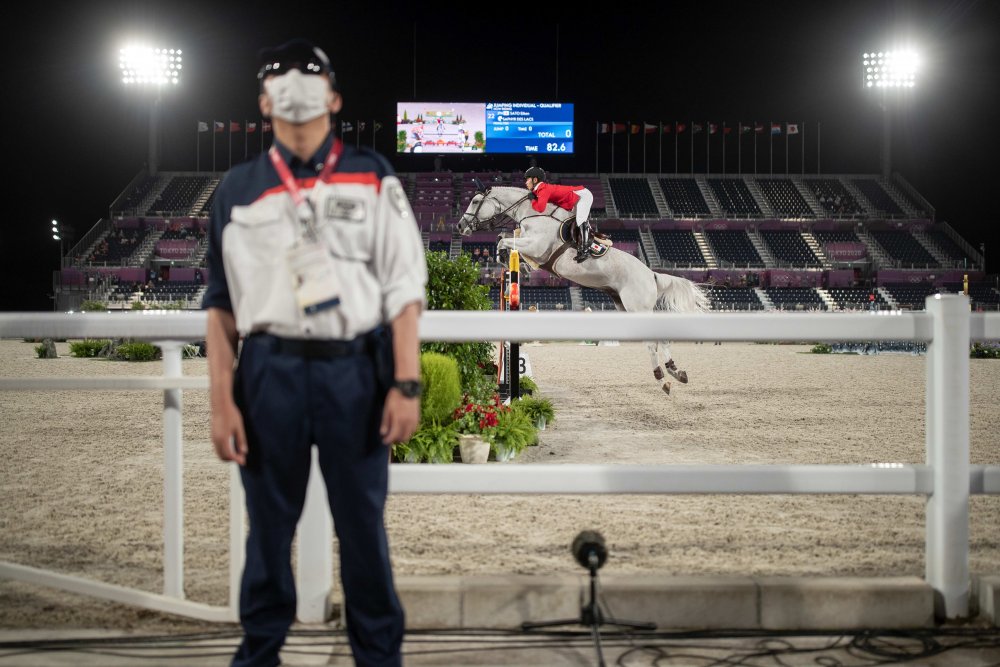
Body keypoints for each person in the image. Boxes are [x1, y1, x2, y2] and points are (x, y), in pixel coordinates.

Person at [202, 38, 426, 667]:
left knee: (361, 533)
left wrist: (405, 384)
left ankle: (378, 657)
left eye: (311, 74)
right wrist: (221, 402)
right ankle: (260, 654)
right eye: (280, 74)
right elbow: (220, 307)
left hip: (354, 370)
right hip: (268, 372)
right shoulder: (237, 188)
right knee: (268, 535)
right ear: (263, 100)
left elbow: (404, 290)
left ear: (334, 97)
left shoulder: (373, 173)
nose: (295, 83)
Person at [523, 167, 594, 262]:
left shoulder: (542, 189)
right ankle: (579, 243)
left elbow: (540, 209)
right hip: (575, 199)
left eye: (527, 179)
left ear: (535, 180)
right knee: (574, 221)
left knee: (580, 220)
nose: (526, 182)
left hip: (582, 196)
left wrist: (532, 200)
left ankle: (585, 251)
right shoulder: (540, 189)